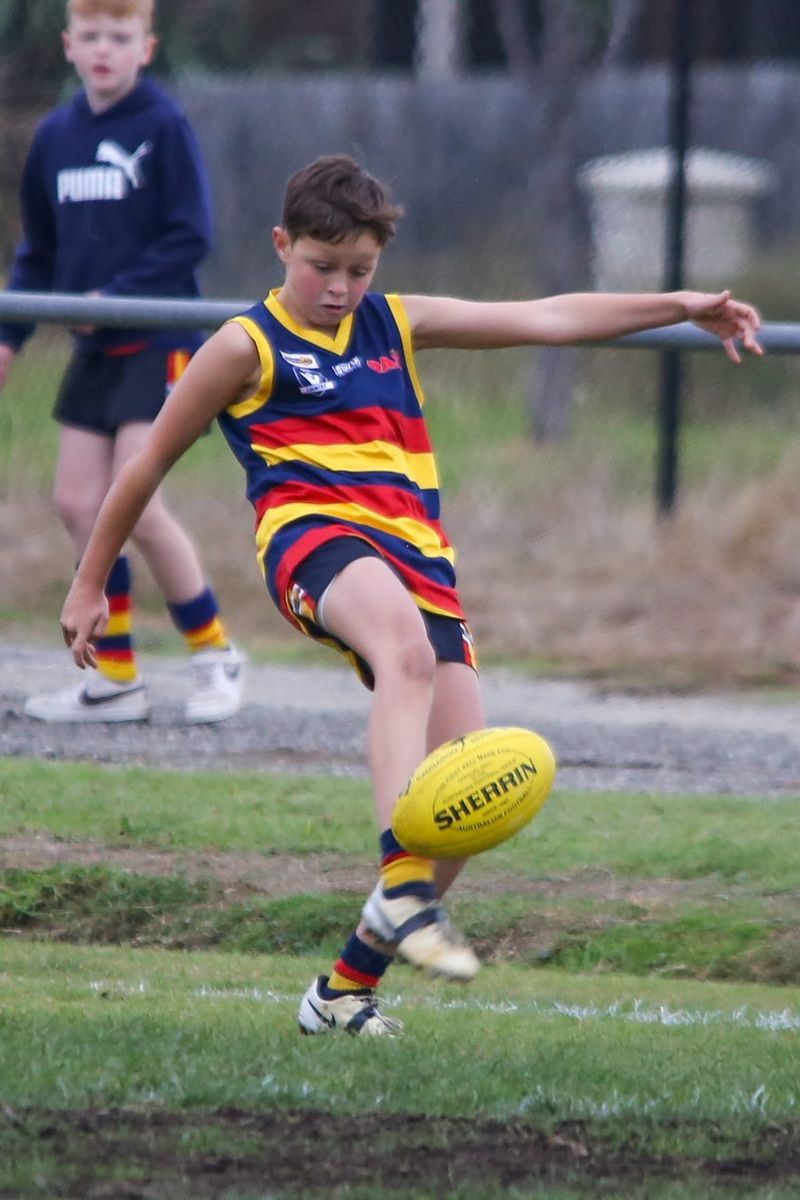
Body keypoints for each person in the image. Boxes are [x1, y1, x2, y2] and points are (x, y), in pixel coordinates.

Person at [59, 154, 762, 1035]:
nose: (340, 287)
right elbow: (146, 464)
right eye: (321, 266)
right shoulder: (244, 346)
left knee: (460, 799)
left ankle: (345, 990)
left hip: (420, 560)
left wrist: (682, 305)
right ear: (282, 246)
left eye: (359, 270)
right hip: (314, 540)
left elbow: (547, 318)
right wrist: (90, 580)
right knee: (401, 650)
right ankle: (400, 880)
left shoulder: (396, 321)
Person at [0, 0, 245, 725]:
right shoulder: (55, 136)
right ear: (71, 47)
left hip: (158, 341)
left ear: (147, 47)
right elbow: (37, 255)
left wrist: (115, 296)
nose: (106, 49)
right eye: (94, 37)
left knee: (135, 505)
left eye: (122, 36)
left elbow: (189, 236)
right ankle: (114, 676)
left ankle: (214, 653)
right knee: (79, 502)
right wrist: (10, 338)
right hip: (94, 349)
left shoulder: (162, 127)